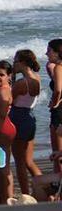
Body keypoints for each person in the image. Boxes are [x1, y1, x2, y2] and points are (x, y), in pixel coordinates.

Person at [9, 49, 43, 198]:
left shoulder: (22, 83)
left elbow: (9, 100)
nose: (13, 64)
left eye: (15, 61)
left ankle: (25, 195)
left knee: (19, 162)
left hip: (18, 117)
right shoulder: (37, 78)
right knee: (29, 161)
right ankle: (44, 189)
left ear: (22, 63)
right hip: (30, 117)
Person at [48, 39, 62, 181]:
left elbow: (58, 89)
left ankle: (58, 187)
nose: (47, 53)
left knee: (57, 152)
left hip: (59, 112)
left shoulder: (58, 67)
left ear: (57, 53)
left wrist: (55, 103)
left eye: (50, 50)